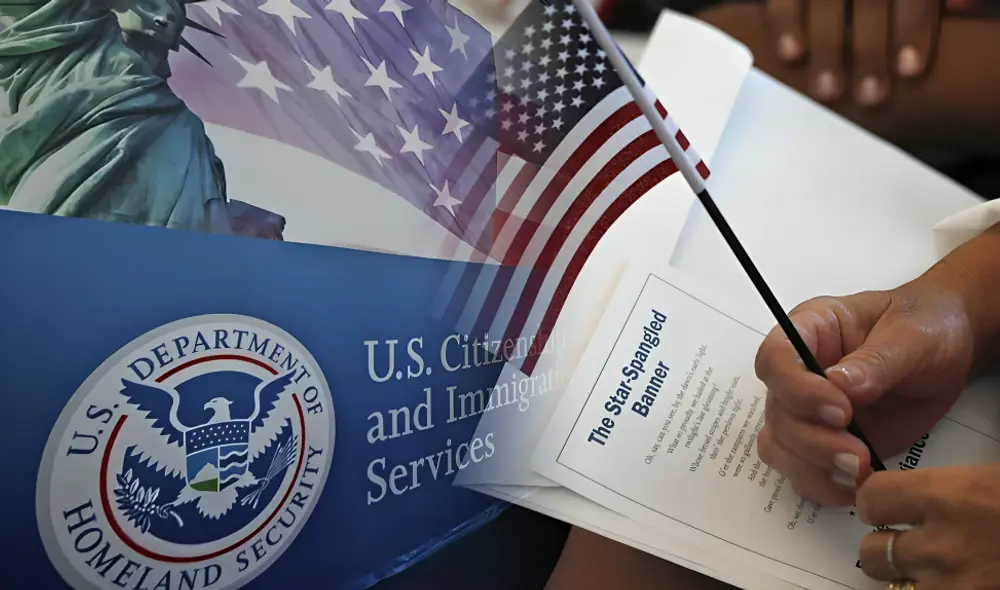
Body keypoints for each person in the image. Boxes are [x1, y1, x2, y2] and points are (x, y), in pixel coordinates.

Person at [0, 0, 284, 238]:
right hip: (54, 224)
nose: (165, 18)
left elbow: (206, 230)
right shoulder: (72, 50)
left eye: (175, 15)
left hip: (156, 272)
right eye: (151, 3)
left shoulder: (185, 130)